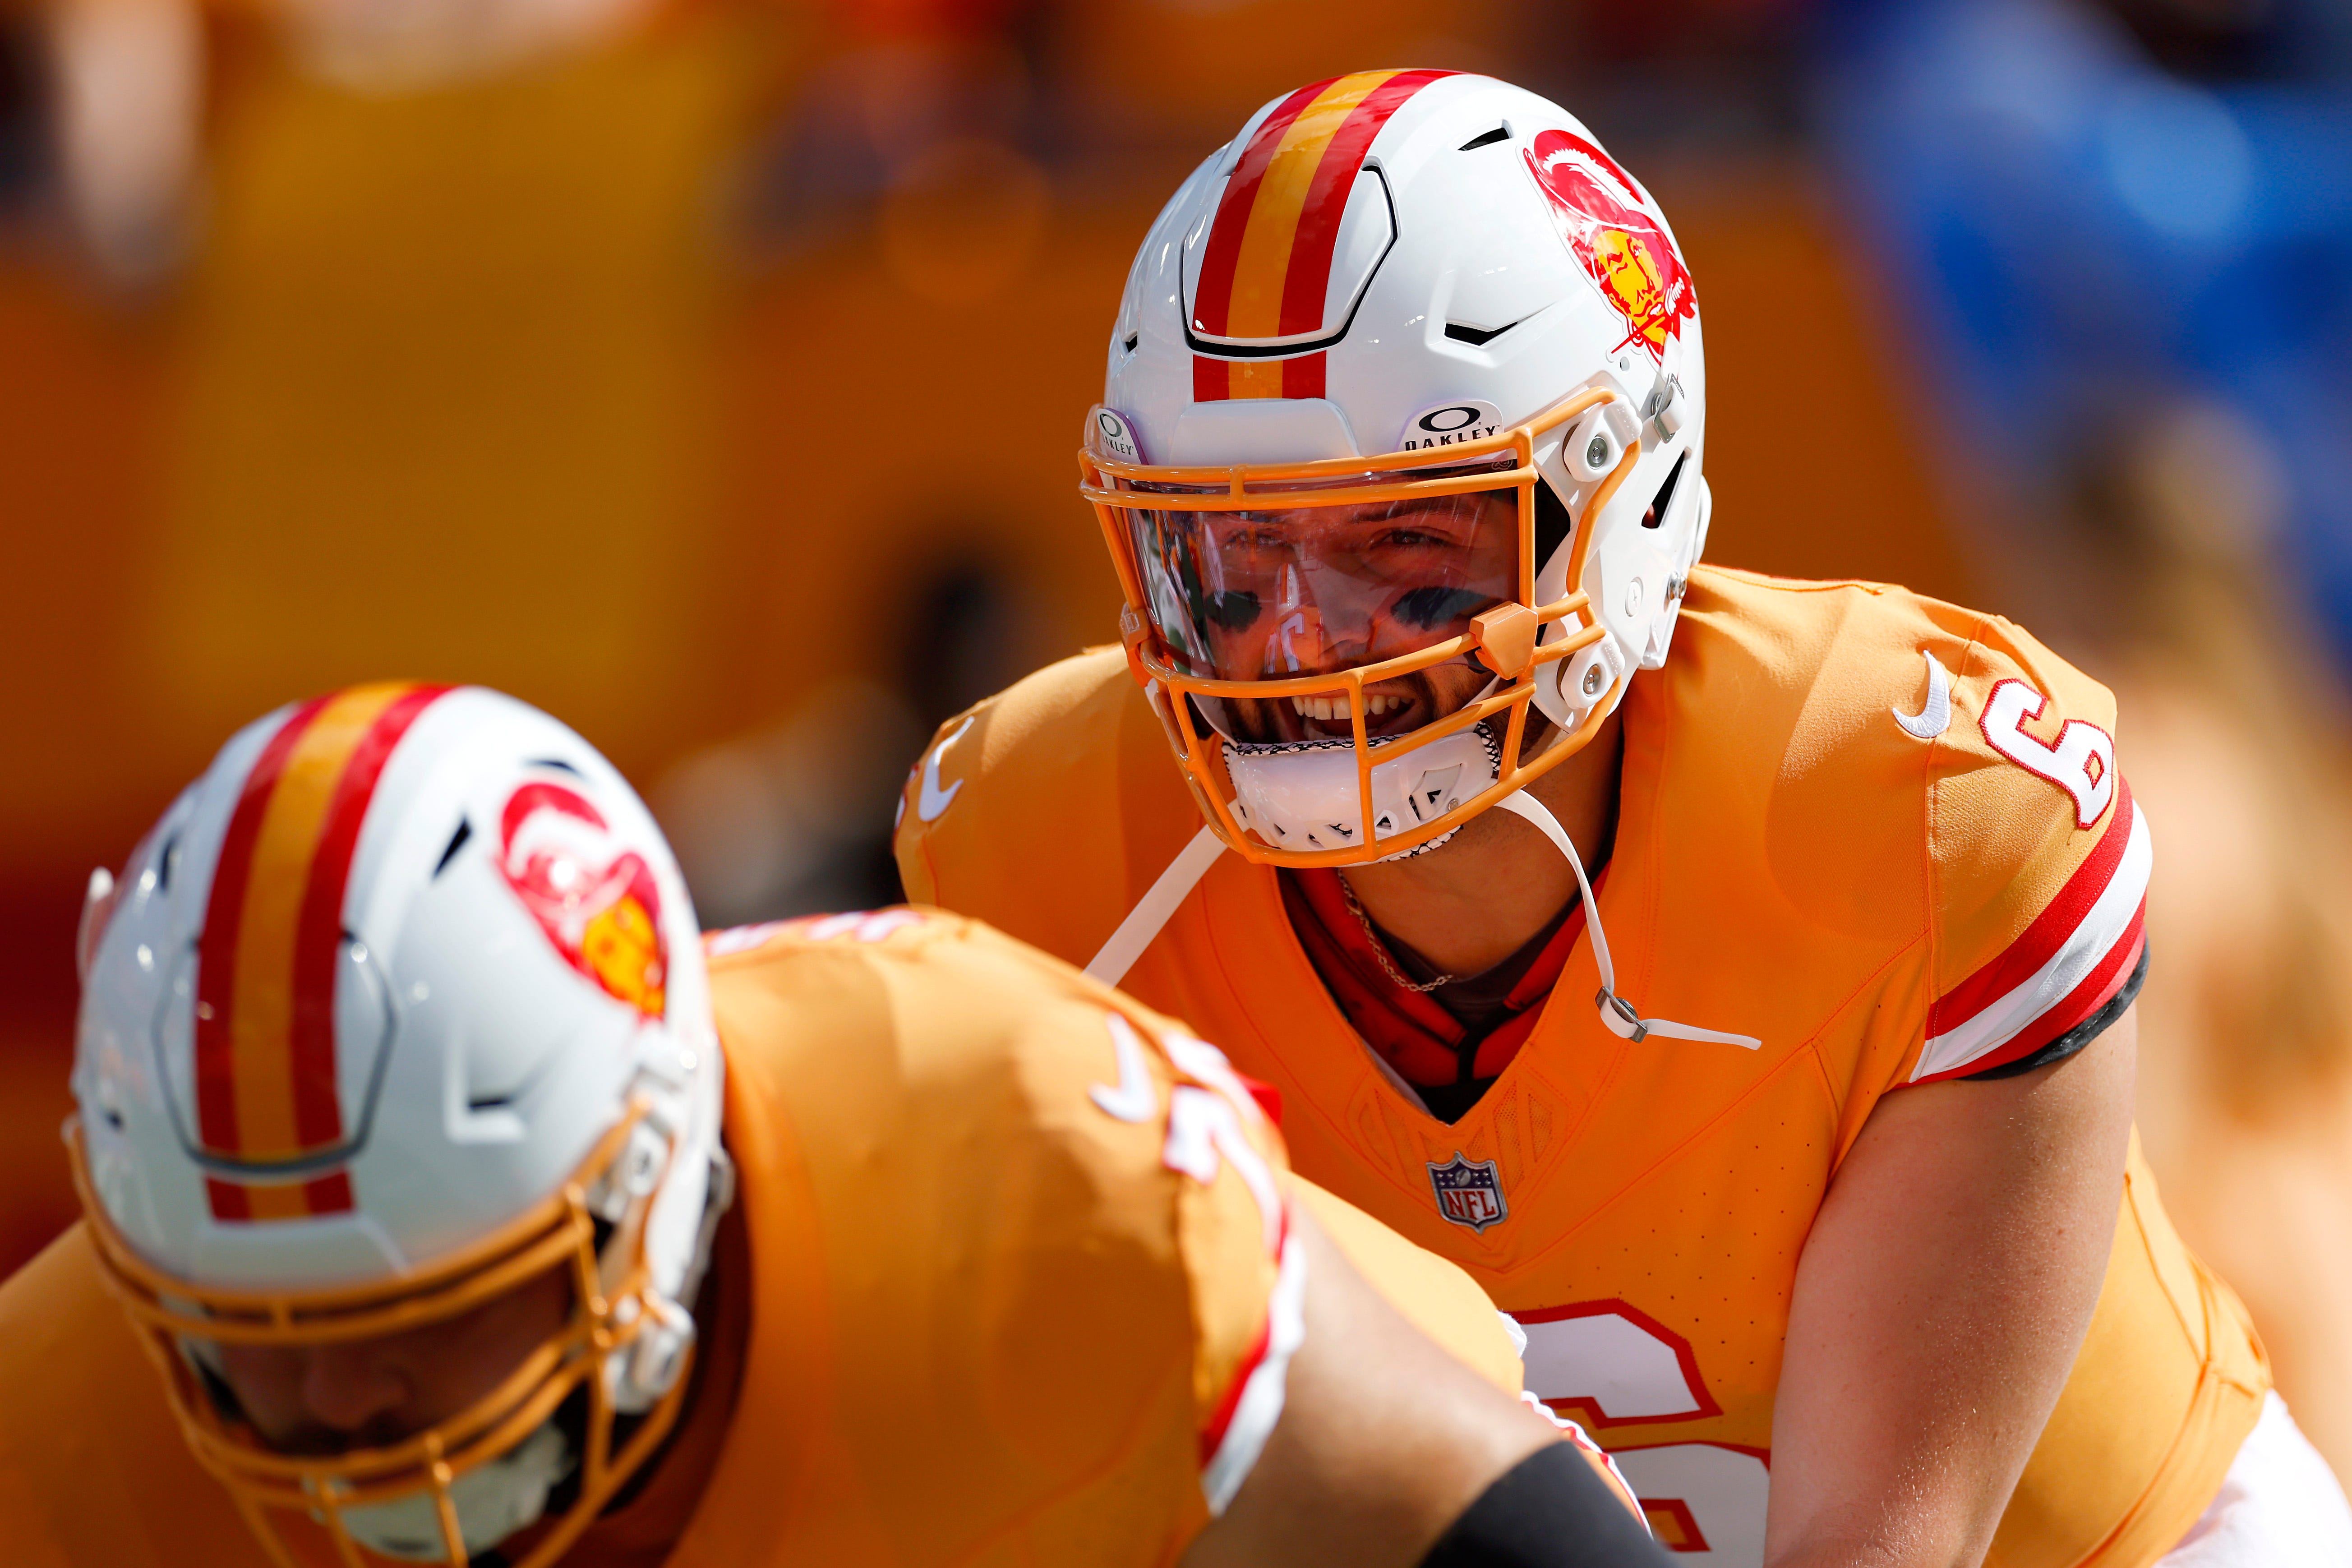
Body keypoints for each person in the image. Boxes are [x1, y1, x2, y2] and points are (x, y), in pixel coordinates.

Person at [892, 70, 2352, 1566]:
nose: (1303, 644)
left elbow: (1879, 1544)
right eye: (1237, 554)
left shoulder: (1916, 805)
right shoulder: (1035, 849)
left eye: (1402, 538)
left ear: (1624, 496)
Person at [0, 681, 1670, 1568]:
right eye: (245, 1333)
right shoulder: (65, 1427)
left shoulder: (1034, 1201)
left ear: (648, 1183)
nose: (329, 1409)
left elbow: (1474, 1528)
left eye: (424, 1311)